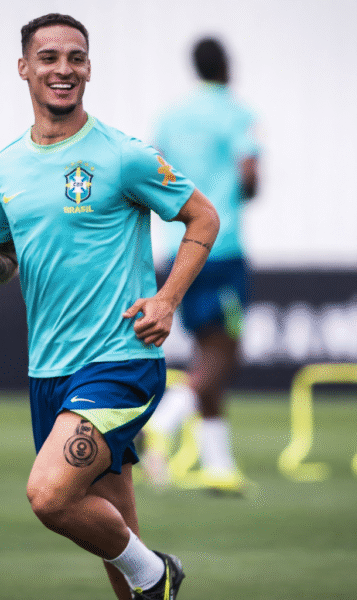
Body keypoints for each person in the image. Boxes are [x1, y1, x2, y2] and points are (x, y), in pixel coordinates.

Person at [0, 14, 219, 600]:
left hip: (119, 360)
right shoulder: (4, 168)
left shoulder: (123, 156)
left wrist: (168, 298)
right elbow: (4, 264)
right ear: (24, 68)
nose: (62, 69)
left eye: (75, 57)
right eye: (48, 57)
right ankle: (147, 582)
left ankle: (158, 574)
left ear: (89, 68)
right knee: (111, 522)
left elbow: (204, 216)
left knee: (49, 495)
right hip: (49, 370)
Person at [142, 37, 261, 495]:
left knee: (206, 352)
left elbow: (155, 175)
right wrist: (244, 193)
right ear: (226, 66)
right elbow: (249, 173)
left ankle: (218, 466)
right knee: (224, 353)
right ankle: (164, 422)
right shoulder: (235, 112)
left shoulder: (171, 117)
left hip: (180, 249)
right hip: (223, 246)